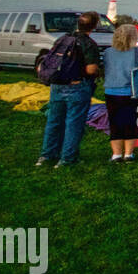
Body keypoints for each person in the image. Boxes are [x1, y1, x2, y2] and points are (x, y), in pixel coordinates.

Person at [37, 12, 101, 168]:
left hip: (57, 86)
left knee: (54, 121)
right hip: (77, 87)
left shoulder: (62, 39)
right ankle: (68, 158)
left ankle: (47, 155)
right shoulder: (88, 44)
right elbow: (91, 69)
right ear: (94, 26)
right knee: (74, 123)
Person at [102, 23, 138, 162]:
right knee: (132, 123)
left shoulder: (108, 52)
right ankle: (128, 153)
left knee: (115, 122)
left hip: (112, 91)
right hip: (133, 92)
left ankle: (116, 154)